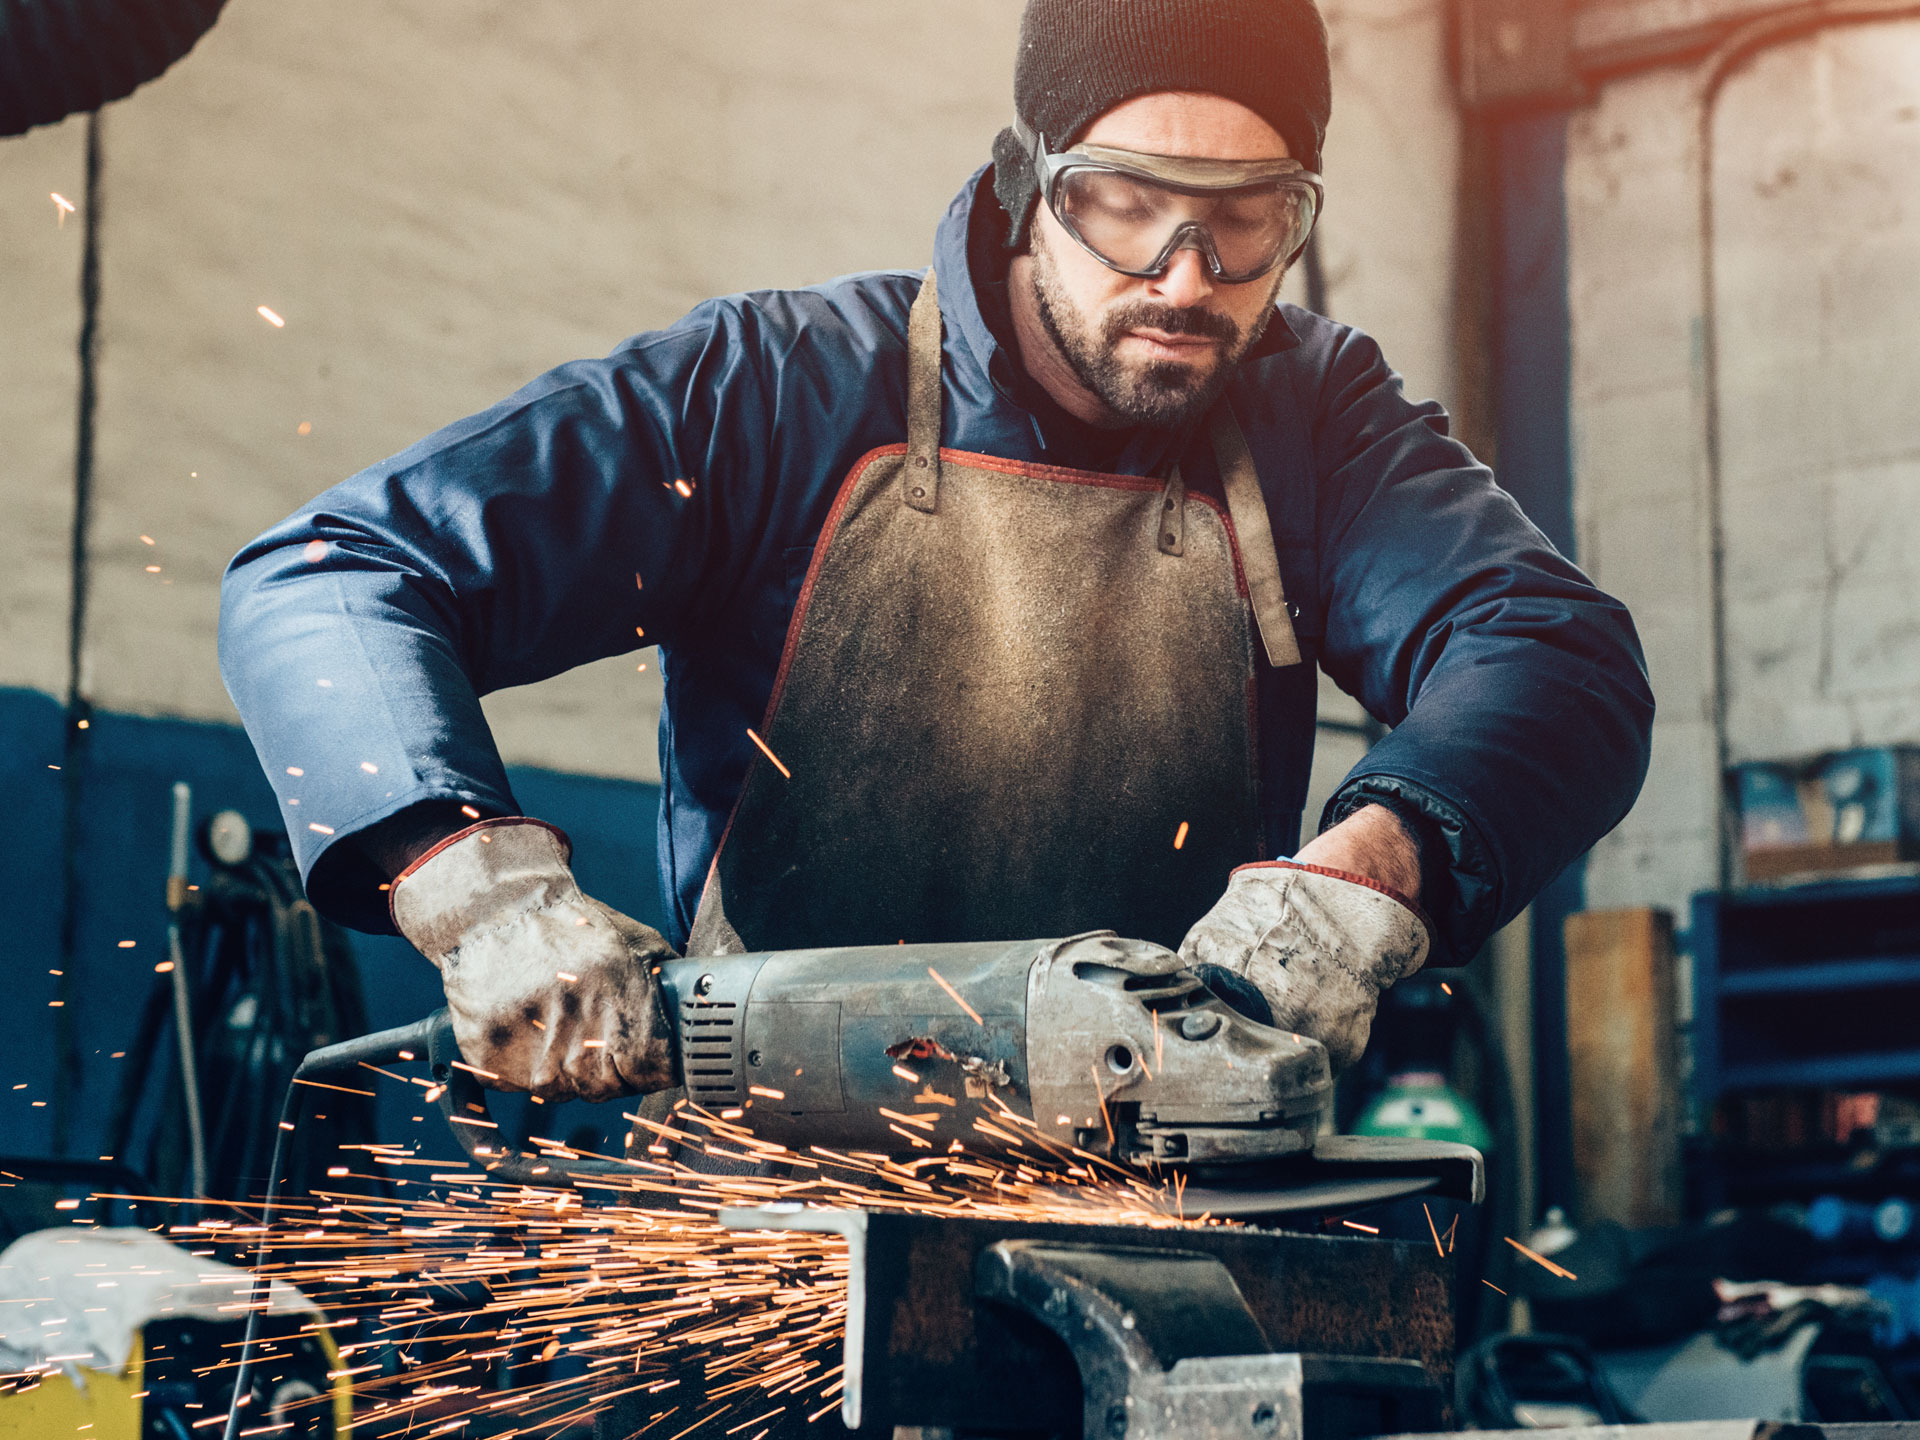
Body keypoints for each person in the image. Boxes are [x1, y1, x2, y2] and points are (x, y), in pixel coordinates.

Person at [220, 0, 1653, 1105]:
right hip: (766, 1192)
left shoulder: (1310, 417)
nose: (1184, 278)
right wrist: (476, 891)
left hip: (1159, 1177)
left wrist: (1368, 874)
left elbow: (1557, 658)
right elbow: (336, 571)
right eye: (1124, 203)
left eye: (1246, 222)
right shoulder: (770, 394)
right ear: (1030, 180)